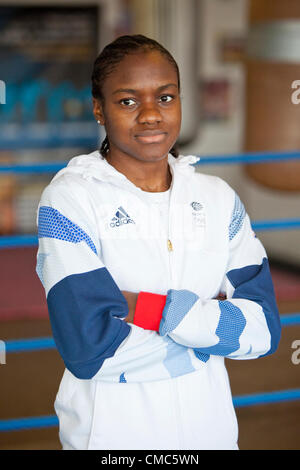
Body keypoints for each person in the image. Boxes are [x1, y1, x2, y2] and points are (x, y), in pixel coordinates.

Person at [36, 34, 281, 450]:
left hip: (213, 436)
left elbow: (264, 330)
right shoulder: (70, 199)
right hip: (113, 440)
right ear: (99, 109)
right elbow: (90, 348)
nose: (150, 115)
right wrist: (211, 336)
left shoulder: (218, 199)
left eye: (165, 98)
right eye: (128, 101)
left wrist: (150, 309)